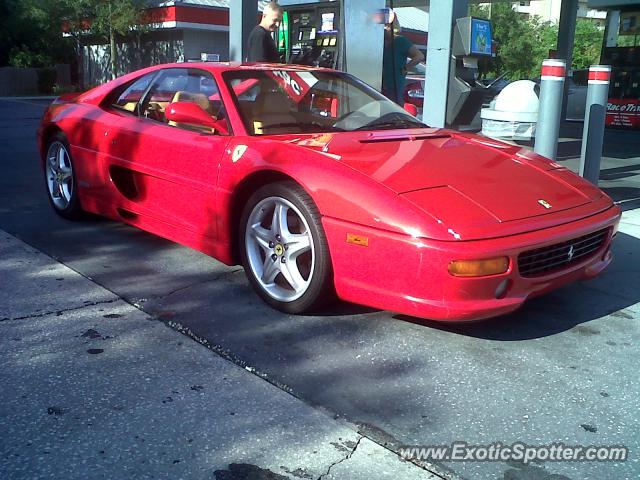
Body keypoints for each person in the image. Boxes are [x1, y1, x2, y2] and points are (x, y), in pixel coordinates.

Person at [382, 15, 425, 104]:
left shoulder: (401, 41)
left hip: (394, 85)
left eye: (387, 25)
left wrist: (406, 68)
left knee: (393, 109)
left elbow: (419, 56)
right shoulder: (379, 41)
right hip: (378, 84)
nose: (384, 28)